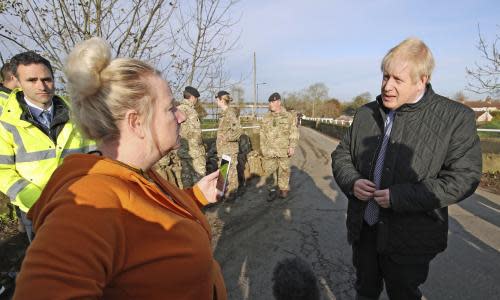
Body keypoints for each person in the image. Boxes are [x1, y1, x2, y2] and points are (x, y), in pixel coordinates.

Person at [13, 37, 227, 300]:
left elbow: (146, 218)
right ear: (136, 122)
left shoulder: (136, 172)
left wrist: (195, 196)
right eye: (170, 108)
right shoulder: (89, 203)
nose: (181, 116)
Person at [331, 38, 482, 300]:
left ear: (422, 80)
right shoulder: (366, 113)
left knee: (403, 293)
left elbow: (464, 177)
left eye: (397, 80)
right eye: (385, 76)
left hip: (410, 237)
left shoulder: (456, 119)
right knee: (364, 290)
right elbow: (342, 154)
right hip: (364, 230)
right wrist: (352, 181)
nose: (387, 86)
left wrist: (400, 196)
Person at [0, 51, 94, 242]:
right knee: (50, 266)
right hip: (36, 210)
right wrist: (37, 200)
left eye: (46, 79)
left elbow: (94, 155)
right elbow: (3, 170)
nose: (41, 86)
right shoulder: (5, 122)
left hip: (82, 205)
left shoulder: (78, 114)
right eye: (32, 80)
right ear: (18, 82)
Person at [260, 92, 299, 201]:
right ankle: (272, 190)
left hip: (283, 150)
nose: (270, 104)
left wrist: (292, 146)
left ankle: (283, 188)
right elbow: (262, 134)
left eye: (272, 102)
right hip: (270, 151)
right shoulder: (266, 118)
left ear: (278, 102)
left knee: (284, 170)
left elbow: (294, 132)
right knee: (269, 172)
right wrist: (263, 148)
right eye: (270, 102)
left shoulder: (288, 116)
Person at [175, 86, 206, 188]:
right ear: (192, 97)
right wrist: (202, 147)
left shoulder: (176, 110)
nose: (196, 101)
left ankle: (188, 201)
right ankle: (201, 202)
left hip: (182, 150)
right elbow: (197, 134)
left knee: (186, 178)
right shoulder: (191, 111)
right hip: (194, 152)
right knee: (199, 177)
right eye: (196, 98)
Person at [216, 90, 241, 201]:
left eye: (217, 99)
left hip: (229, 149)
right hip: (224, 150)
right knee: (224, 171)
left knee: (230, 172)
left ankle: (232, 194)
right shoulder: (223, 114)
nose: (216, 101)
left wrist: (227, 138)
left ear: (221, 100)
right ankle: (224, 193)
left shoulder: (229, 113)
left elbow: (238, 130)